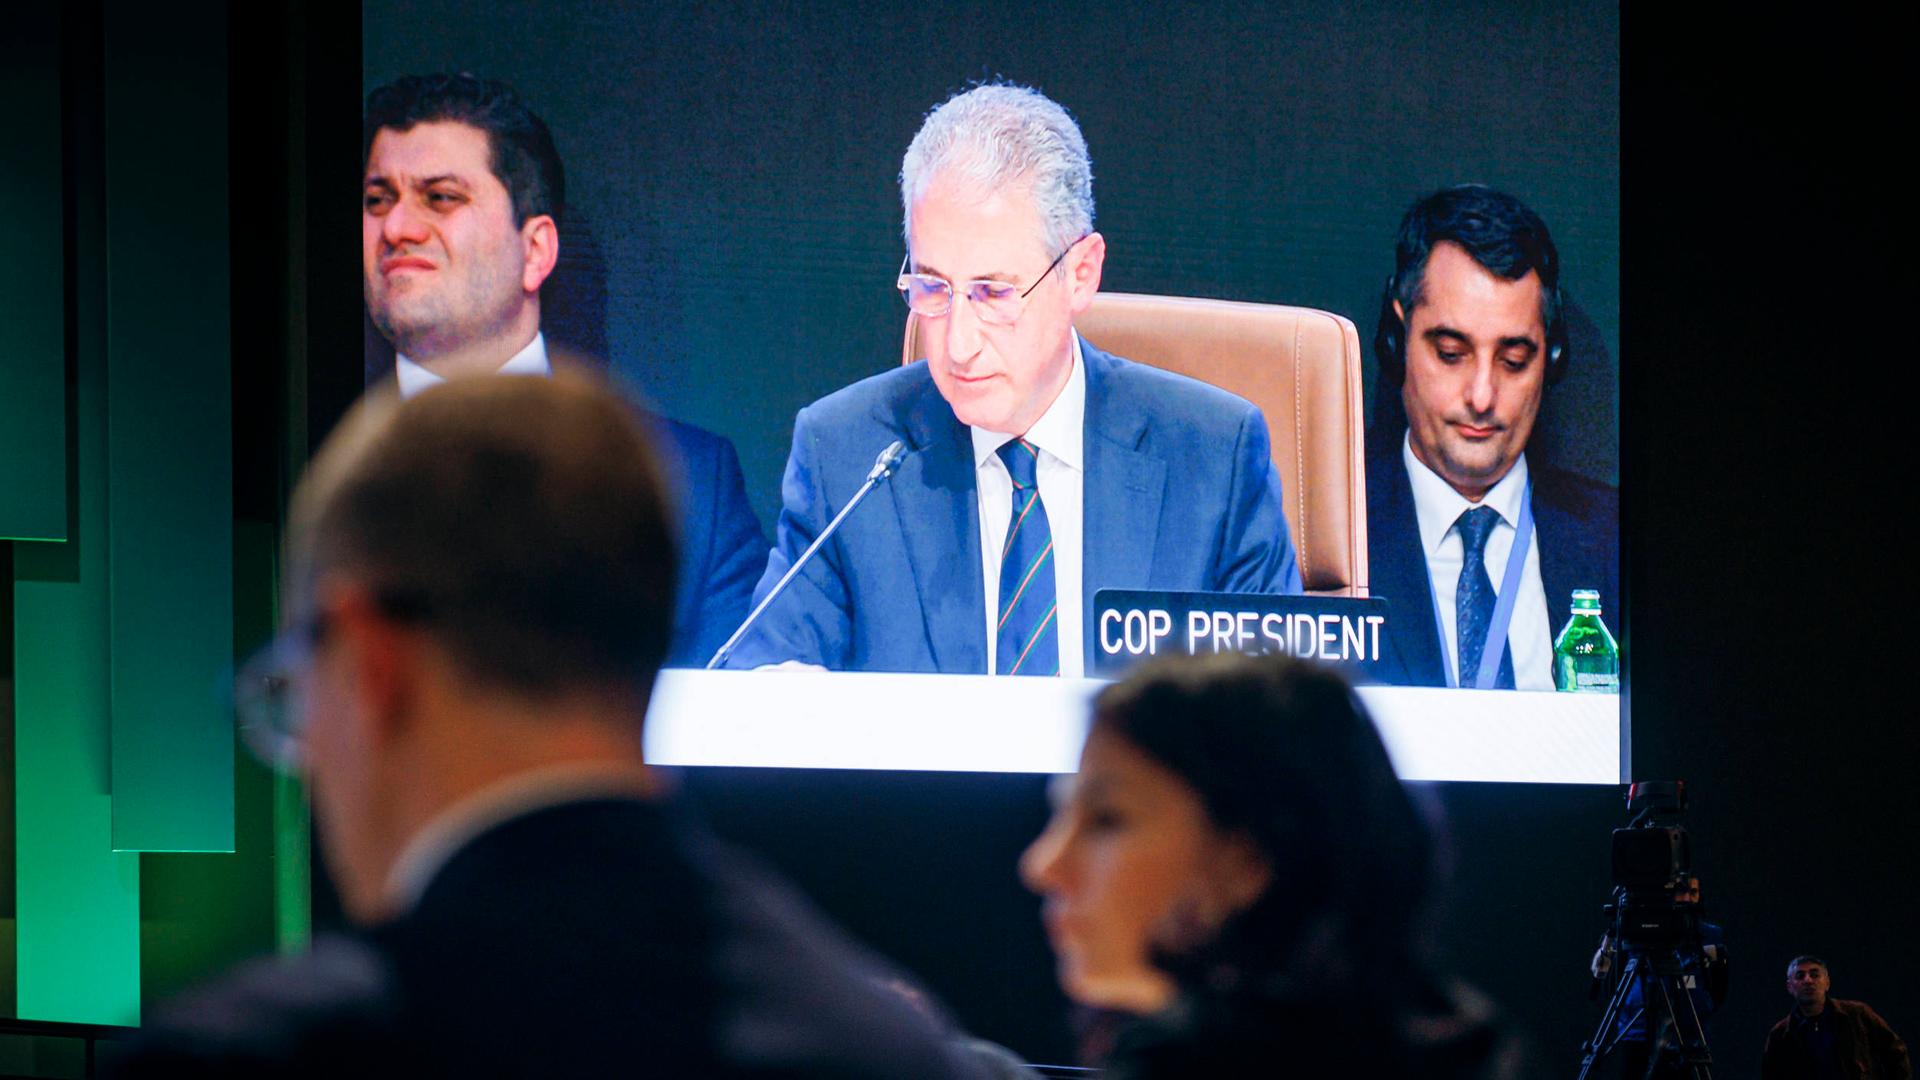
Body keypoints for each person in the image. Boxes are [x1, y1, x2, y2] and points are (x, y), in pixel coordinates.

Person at [108, 375, 999, 1078]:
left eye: (296, 689)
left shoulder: (236, 1059)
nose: (304, 754)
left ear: (371, 662)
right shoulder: (885, 1051)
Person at [724, 83, 1301, 675]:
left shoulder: (1212, 459)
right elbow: (765, 689)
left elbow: (1284, 721)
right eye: (932, 289)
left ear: (1081, 273)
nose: (957, 342)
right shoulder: (847, 456)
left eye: (993, 293)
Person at [361, 72, 765, 667]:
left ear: (536, 251)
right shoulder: (309, 466)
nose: (397, 228)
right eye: (378, 200)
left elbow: (732, 737)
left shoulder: (690, 485)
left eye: (440, 197)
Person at [1019, 651, 1522, 1077]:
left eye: (1107, 820)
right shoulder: (1471, 1043)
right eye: (1061, 814)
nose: (1043, 865)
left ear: (1249, 860)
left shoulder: (1182, 1063)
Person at [1365, 184, 1618, 690]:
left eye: (1514, 361)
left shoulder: (1615, 542)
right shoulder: (1330, 538)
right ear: (1397, 341)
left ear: (1553, 359)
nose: (1482, 396)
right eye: (1451, 353)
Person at [1587, 876, 1728, 1078]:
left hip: (1688, 1033)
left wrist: (1703, 1005)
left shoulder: (1708, 935)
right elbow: (1608, 976)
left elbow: (1719, 987)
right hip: (1636, 1030)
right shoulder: (1635, 932)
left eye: (1693, 892)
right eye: (1681, 891)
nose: (1687, 898)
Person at [1762, 956, 1911, 1080]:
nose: (1808, 980)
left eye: (1814, 974)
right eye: (1800, 976)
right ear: (1790, 987)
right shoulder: (1781, 1034)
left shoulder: (1857, 1014)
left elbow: (1895, 1051)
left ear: (1827, 982)